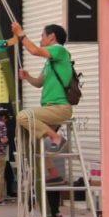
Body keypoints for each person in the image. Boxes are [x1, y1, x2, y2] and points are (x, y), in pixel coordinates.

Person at [12, 23, 74, 155]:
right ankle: (52, 174)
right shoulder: (51, 61)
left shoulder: (59, 50)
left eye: (42, 36)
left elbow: (34, 50)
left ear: (52, 37)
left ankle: (57, 138)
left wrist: (21, 34)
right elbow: (39, 83)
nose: (40, 39)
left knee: (23, 116)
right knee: (32, 143)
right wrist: (28, 77)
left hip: (59, 107)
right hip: (50, 108)